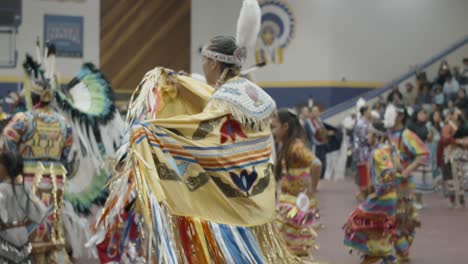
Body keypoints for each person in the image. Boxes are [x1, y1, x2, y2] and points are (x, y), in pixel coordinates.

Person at [92, 1, 310, 263]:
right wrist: (182, 83)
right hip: (254, 201)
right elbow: (211, 113)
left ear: (215, 63)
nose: (203, 66)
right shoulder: (251, 94)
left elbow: (203, 138)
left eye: (205, 60)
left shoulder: (224, 100)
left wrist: (149, 133)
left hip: (226, 212)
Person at [1, 55, 84, 263]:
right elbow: (66, 157)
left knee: (24, 237)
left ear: (34, 96)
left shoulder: (23, 121)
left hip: (26, 185)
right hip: (55, 186)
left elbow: (7, 150)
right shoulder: (64, 124)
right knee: (52, 233)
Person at [344, 122, 398, 264]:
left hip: (384, 198)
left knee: (357, 218)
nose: (367, 137)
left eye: (369, 134)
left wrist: (378, 192)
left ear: (376, 135)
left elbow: (389, 172)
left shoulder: (381, 152)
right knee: (379, 229)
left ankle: (379, 255)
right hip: (389, 198)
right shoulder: (388, 149)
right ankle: (384, 257)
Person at [384, 104, 430, 262]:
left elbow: (423, 153)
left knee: (404, 223)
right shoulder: (388, 134)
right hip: (387, 187)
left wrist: (407, 171)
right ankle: (401, 254)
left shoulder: (407, 135)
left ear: (401, 116)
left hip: (403, 188)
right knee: (390, 222)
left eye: (393, 112)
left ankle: (403, 255)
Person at [272, 109, 321, 257]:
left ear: (285, 127)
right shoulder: (288, 146)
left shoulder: (295, 147)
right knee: (290, 246)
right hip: (289, 202)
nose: (272, 132)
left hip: (294, 206)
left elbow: (316, 164)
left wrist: (312, 189)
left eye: (274, 127)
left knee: (287, 245)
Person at [0, 151, 47, 264]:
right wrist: (23, 223)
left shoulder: (1, 189)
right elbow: (40, 212)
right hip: (23, 235)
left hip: (5, 237)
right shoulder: (25, 188)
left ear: (6, 167)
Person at [353, 106, 373, 200]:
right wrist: (372, 139)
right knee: (362, 172)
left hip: (365, 150)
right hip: (362, 151)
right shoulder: (361, 123)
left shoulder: (367, 122)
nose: (371, 112)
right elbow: (363, 139)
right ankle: (362, 193)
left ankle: (363, 192)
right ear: (365, 112)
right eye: (369, 111)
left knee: (365, 172)